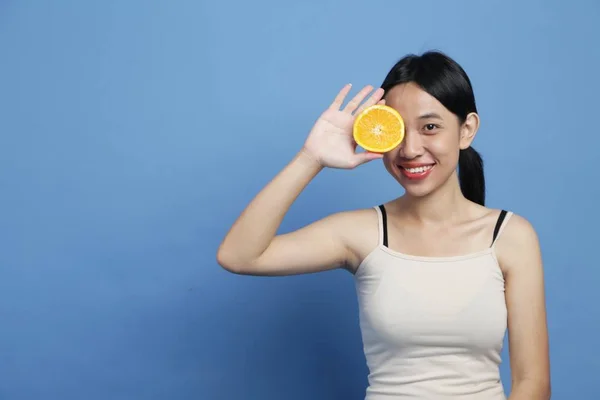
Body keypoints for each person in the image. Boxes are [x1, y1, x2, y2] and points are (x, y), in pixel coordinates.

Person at [216, 51, 551, 399]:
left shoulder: (511, 236)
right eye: (397, 130)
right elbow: (239, 256)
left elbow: (533, 383)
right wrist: (311, 158)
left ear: (466, 130)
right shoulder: (361, 233)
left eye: (430, 127)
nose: (410, 148)